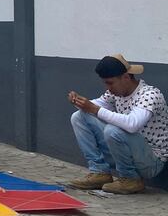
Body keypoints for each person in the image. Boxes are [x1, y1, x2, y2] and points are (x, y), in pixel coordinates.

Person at [68, 54, 168, 194]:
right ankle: (100, 172)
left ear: (126, 77)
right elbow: (94, 106)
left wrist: (94, 109)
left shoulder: (149, 95)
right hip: (127, 153)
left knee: (113, 129)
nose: (108, 88)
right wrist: (80, 103)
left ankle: (130, 179)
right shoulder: (116, 93)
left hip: (151, 162)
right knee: (79, 117)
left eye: (110, 83)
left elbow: (132, 124)